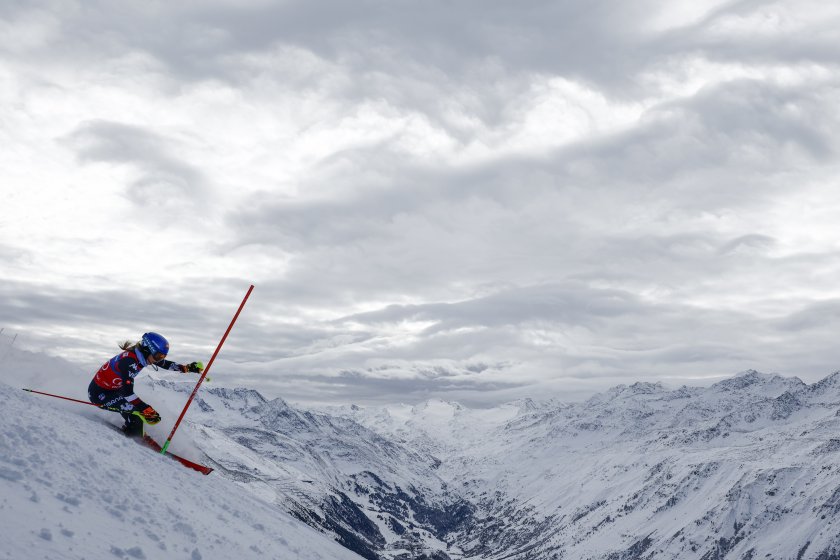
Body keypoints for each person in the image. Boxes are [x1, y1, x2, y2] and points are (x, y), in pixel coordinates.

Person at [88, 332, 204, 436]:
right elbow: (127, 392)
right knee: (137, 414)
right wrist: (145, 409)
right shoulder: (129, 362)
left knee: (136, 412)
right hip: (99, 394)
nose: (159, 360)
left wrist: (187, 368)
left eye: (163, 356)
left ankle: (131, 430)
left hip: (114, 390)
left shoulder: (142, 356)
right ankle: (132, 442)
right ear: (147, 349)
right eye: (158, 356)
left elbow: (165, 364)